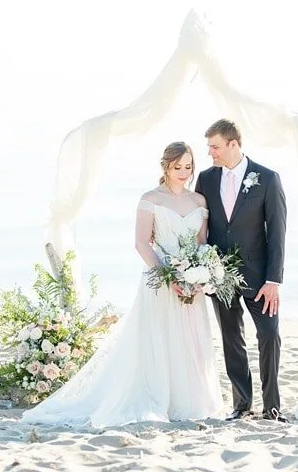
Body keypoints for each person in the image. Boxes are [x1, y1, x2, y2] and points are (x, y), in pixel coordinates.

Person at [21, 141, 224, 427]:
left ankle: (189, 400)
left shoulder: (198, 202)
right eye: (177, 167)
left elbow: (201, 243)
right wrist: (169, 278)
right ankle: (157, 397)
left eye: (188, 167)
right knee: (159, 339)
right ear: (165, 166)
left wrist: (202, 274)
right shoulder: (151, 199)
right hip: (160, 279)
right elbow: (142, 243)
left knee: (190, 341)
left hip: (192, 284)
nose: (183, 172)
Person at [194, 119, 288, 422]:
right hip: (219, 277)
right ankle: (242, 405)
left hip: (261, 278)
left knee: (269, 336)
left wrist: (274, 280)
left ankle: (272, 406)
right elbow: (202, 227)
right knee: (231, 340)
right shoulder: (206, 180)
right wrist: (201, 269)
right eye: (209, 147)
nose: (210, 153)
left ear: (234, 144)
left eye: (215, 147)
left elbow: (277, 233)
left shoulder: (268, 178)